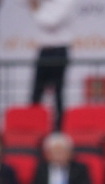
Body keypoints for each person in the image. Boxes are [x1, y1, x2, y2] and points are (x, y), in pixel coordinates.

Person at [29, 0, 77, 129]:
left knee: (58, 91)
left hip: (59, 50)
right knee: (36, 91)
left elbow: (50, 22)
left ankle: (58, 128)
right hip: (44, 50)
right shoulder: (44, 3)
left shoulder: (66, 2)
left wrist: (34, 9)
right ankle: (34, 125)